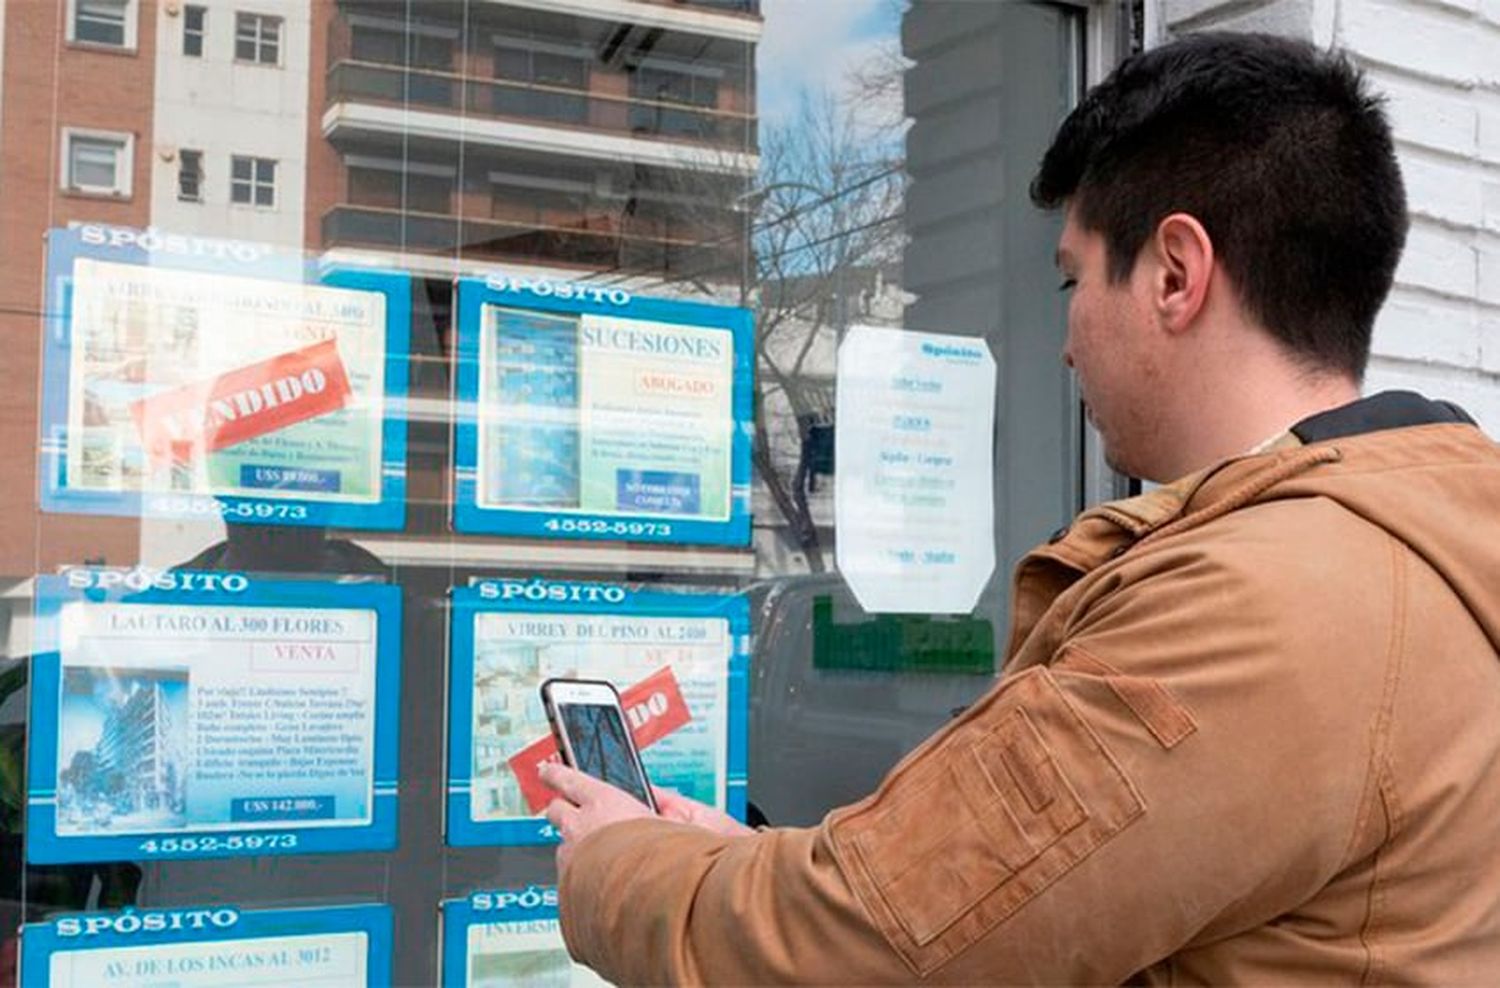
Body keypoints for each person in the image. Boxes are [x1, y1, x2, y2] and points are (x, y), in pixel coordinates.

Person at [540, 32, 1500, 983]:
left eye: (1072, 279)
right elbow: (1012, 901)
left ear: (1175, 274)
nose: (1066, 341)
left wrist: (621, 868)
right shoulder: (1414, 540)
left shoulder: (1263, 604)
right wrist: (743, 866)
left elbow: (877, 950)